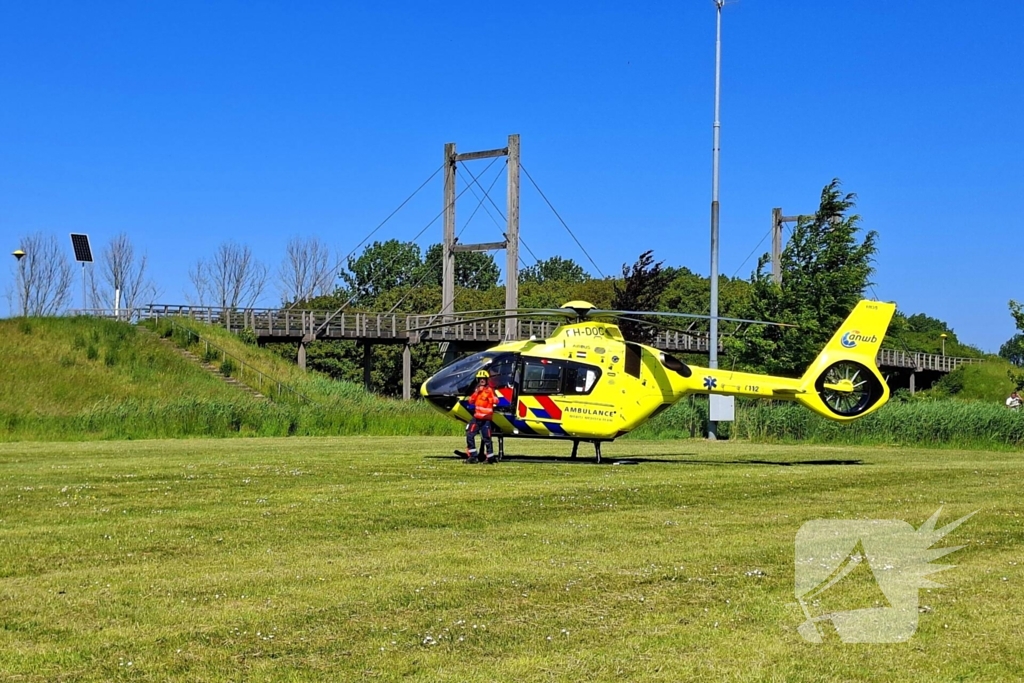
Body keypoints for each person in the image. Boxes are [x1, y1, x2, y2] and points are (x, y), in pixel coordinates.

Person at [465, 370, 498, 464]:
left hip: (486, 419)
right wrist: (476, 392)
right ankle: (473, 456)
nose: (482, 380)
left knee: (487, 438)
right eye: (480, 379)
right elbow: (471, 401)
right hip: (476, 418)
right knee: (469, 435)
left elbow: (496, 401)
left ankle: (490, 458)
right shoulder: (477, 390)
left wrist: (489, 397)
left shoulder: (490, 390)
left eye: (483, 379)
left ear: (487, 380)